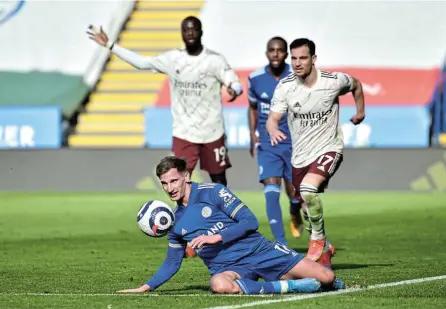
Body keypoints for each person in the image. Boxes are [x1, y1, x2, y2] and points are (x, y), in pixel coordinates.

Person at [117, 156, 345, 294]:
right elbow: (172, 261)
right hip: (230, 268)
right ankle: (290, 286)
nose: (170, 188)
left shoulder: (214, 192)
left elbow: (250, 221)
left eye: (174, 180)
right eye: (164, 183)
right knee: (218, 285)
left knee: (327, 278)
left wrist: (216, 237)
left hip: (259, 251)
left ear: (186, 176)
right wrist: (147, 286)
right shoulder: (174, 222)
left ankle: (284, 278)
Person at [87, 16, 242, 187]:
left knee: (219, 182)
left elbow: (234, 83)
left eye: (194, 29)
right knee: (179, 181)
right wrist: (111, 45)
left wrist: (233, 89)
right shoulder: (172, 58)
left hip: (212, 131)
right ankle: (184, 214)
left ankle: (223, 214)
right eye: (186, 29)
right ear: (182, 33)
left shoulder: (215, 60)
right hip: (184, 132)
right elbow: (141, 63)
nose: (190, 33)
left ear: (201, 32)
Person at [266, 38, 365, 267]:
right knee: (305, 206)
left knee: (309, 189)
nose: (297, 63)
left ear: (313, 59)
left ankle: (317, 241)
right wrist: (272, 129)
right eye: (294, 58)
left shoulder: (332, 81)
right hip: (300, 155)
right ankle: (325, 250)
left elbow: (357, 85)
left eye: (302, 58)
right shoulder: (285, 87)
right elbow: (273, 119)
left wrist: (360, 112)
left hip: (329, 148)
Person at [247, 36, 303, 245]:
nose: (276, 54)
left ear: (286, 54)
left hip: (293, 142)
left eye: (280, 50)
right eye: (272, 50)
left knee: (295, 194)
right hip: (267, 143)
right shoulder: (255, 78)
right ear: (267, 53)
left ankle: (295, 210)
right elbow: (252, 107)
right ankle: (281, 243)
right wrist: (253, 135)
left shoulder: (296, 76)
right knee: (271, 191)